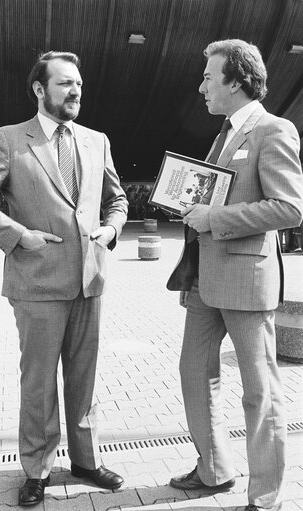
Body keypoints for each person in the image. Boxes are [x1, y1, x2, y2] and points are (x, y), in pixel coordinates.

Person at [0, 51, 128, 507]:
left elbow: (117, 200)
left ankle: (86, 461)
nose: (75, 92)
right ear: (40, 89)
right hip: (36, 283)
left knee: (84, 380)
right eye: (64, 84)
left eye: (78, 84)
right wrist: (18, 236)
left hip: (89, 282)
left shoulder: (97, 141)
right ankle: (37, 469)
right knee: (38, 383)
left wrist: (111, 229)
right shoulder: (10, 139)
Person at [167, 39, 303, 511]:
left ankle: (265, 497)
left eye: (208, 76)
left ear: (236, 81)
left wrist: (215, 219)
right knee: (193, 376)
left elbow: (289, 208)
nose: (201, 85)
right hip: (205, 281)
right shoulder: (223, 134)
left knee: (259, 394)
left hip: (247, 282)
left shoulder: (274, 130)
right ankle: (214, 469)